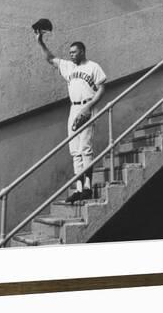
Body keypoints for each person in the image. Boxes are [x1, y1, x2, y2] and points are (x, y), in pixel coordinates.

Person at [36, 35, 106, 203]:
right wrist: (40, 42)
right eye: (70, 53)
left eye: (74, 52)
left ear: (82, 51)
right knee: (74, 150)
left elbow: (102, 88)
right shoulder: (68, 67)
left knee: (85, 148)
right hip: (73, 108)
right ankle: (79, 188)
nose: (71, 55)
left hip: (87, 106)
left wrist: (89, 107)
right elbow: (50, 58)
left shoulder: (93, 67)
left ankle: (88, 187)